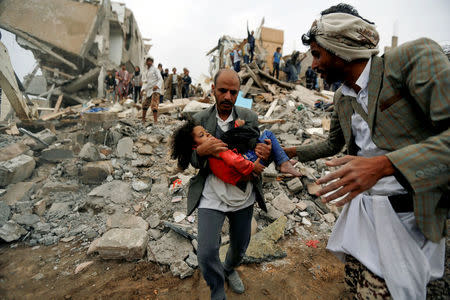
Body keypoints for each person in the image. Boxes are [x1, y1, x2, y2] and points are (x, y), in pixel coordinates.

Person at [284, 4, 449, 299]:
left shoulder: (410, 60)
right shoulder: (341, 97)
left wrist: (385, 165)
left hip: (414, 215)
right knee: (360, 284)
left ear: (340, 47)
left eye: (318, 55)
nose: (313, 65)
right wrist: (292, 150)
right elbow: (334, 143)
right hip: (366, 213)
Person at [186, 69, 272, 300]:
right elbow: (188, 161)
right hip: (211, 194)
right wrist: (202, 152)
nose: (227, 97)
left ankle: (229, 269)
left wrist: (265, 152)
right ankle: (216, 290)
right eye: (222, 91)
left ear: (238, 94)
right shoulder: (199, 121)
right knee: (205, 252)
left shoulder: (249, 116)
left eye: (233, 92)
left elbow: (258, 153)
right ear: (213, 90)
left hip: (242, 194)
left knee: (240, 245)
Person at [171, 118, 301, 184]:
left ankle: (283, 158)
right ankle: (283, 161)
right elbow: (234, 160)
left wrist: (251, 140)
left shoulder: (244, 114)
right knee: (268, 134)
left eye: (206, 132)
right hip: (247, 167)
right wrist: (252, 167)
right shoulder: (215, 148)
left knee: (266, 144)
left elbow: (249, 133)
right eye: (202, 135)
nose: (208, 134)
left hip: (244, 168)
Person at [141, 57, 163, 124]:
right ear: (146, 62)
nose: (149, 62)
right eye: (148, 61)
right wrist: (142, 89)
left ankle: (155, 121)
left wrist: (157, 86)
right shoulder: (146, 71)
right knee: (145, 104)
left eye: (151, 61)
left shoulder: (155, 70)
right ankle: (143, 119)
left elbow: (160, 79)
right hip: (149, 90)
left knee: (154, 104)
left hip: (155, 90)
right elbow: (145, 82)